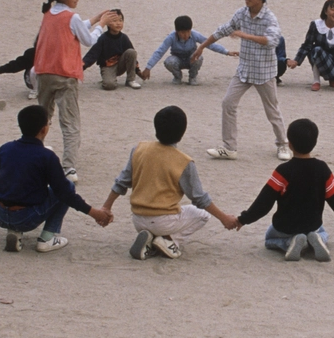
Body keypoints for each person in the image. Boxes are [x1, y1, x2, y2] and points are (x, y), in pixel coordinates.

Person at [0, 105, 112, 254]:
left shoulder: (7, 148)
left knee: (17, 187)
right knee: (67, 185)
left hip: (0, 214)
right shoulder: (46, 157)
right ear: (44, 129)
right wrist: (94, 212)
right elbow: (64, 193)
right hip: (26, 217)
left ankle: (15, 232)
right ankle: (47, 238)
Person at [101, 105, 239, 260]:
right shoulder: (184, 161)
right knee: (202, 215)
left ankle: (149, 242)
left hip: (138, 219)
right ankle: (170, 241)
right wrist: (224, 218)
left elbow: (121, 182)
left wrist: (106, 207)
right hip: (164, 221)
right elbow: (200, 198)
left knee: (169, 216)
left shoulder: (139, 149)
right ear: (182, 133)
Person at [237, 118, 334, 261]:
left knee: (269, 239)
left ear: (290, 145)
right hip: (312, 225)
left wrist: (243, 219)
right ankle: (317, 240)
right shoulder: (322, 169)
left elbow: (264, 202)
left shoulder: (283, 171)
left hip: (285, 227)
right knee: (323, 232)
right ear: (315, 143)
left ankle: (290, 243)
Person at [191, 0, 289, 161]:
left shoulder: (270, 18)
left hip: (264, 72)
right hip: (244, 70)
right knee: (228, 103)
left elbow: (272, 40)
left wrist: (246, 35)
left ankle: (283, 145)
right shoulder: (241, 14)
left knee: (272, 111)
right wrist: (202, 46)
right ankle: (229, 147)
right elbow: (223, 30)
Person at [33, 0, 116, 181]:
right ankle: (69, 168)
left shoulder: (49, 13)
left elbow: (74, 27)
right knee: (70, 123)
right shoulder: (71, 17)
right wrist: (101, 25)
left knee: (43, 117)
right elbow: (87, 39)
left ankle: (34, 154)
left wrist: (95, 19)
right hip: (65, 74)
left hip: (44, 72)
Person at [141, 15, 234, 85]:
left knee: (199, 58)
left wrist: (226, 52)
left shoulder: (195, 34)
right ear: (177, 31)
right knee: (169, 62)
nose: (186, 35)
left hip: (191, 59)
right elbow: (159, 52)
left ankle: (192, 77)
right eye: (182, 32)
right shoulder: (171, 37)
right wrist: (148, 68)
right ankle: (178, 77)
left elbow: (209, 44)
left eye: (188, 32)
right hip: (177, 60)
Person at [82, 9, 142, 90]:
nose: (118, 23)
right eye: (114, 21)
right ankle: (106, 79)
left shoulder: (124, 38)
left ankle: (130, 80)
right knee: (109, 86)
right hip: (107, 67)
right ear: (108, 23)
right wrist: (81, 67)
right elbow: (92, 55)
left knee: (131, 52)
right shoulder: (102, 38)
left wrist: (138, 72)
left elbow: (132, 57)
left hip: (120, 65)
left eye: (120, 20)